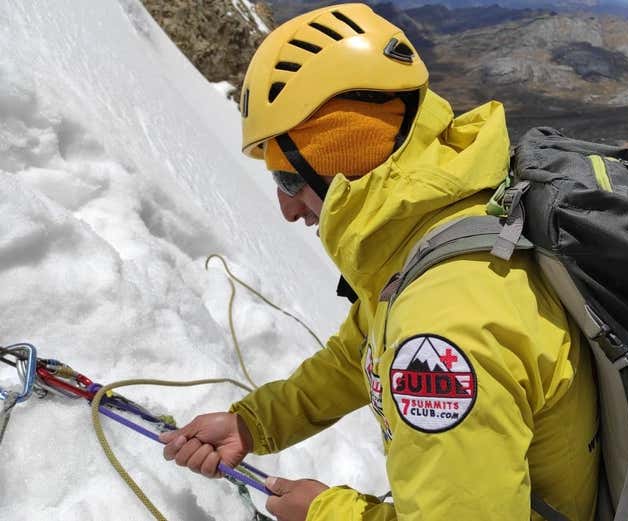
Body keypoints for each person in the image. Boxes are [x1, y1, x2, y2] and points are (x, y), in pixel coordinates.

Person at [160, 3, 599, 520]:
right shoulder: (439, 228)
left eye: (288, 178)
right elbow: (361, 354)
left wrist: (324, 513)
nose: (284, 208)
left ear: (345, 153)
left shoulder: (444, 326)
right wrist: (251, 425)